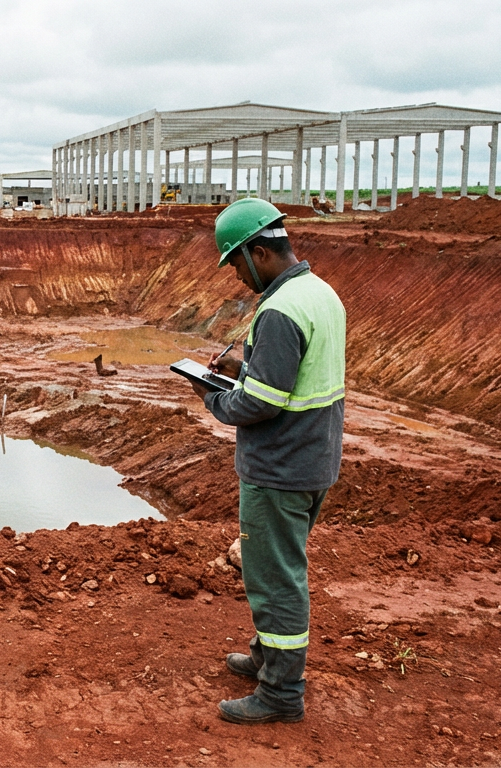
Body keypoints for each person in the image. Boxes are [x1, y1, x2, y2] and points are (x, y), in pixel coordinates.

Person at [187, 198, 346, 725]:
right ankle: (265, 657)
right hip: (313, 458)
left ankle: (280, 693)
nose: (236, 274)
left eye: (236, 262)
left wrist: (210, 394)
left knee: (275, 579)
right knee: (278, 568)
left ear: (260, 251)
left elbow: (259, 403)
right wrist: (243, 365)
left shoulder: (278, 310)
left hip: (279, 468)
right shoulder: (320, 294)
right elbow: (289, 376)